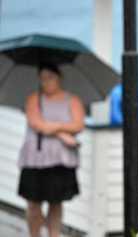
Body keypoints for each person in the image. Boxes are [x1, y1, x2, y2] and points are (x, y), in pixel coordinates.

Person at [17, 63, 85, 237]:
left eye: (50, 77)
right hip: (36, 159)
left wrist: (54, 127)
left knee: (56, 202)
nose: (46, 82)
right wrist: (63, 133)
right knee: (33, 203)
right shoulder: (34, 99)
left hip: (61, 160)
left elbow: (78, 124)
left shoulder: (73, 100)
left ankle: (53, 234)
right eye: (42, 78)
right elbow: (38, 125)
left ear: (59, 77)